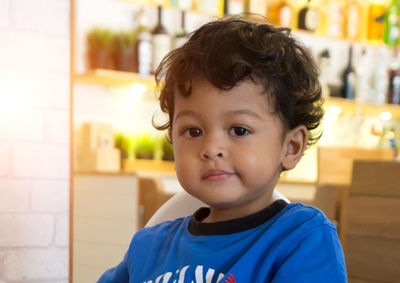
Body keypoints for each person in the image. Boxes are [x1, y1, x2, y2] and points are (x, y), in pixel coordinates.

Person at [98, 15, 347, 283]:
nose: (211, 148)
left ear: (291, 146)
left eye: (239, 130)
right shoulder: (148, 245)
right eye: (193, 131)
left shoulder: (301, 238)